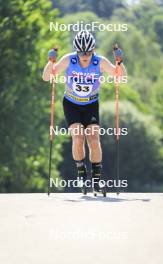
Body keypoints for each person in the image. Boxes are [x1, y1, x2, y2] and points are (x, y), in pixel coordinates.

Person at [43, 30, 127, 194]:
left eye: (88, 52)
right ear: (76, 50)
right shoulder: (69, 59)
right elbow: (47, 77)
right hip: (71, 104)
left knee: (94, 139)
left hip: (90, 104)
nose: (85, 55)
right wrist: (50, 61)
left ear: (93, 50)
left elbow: (120, 77)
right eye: (81, 52)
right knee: (78, 137)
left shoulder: (99, 62)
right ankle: (81, 173)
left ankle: (97, 180)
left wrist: (119, 62)